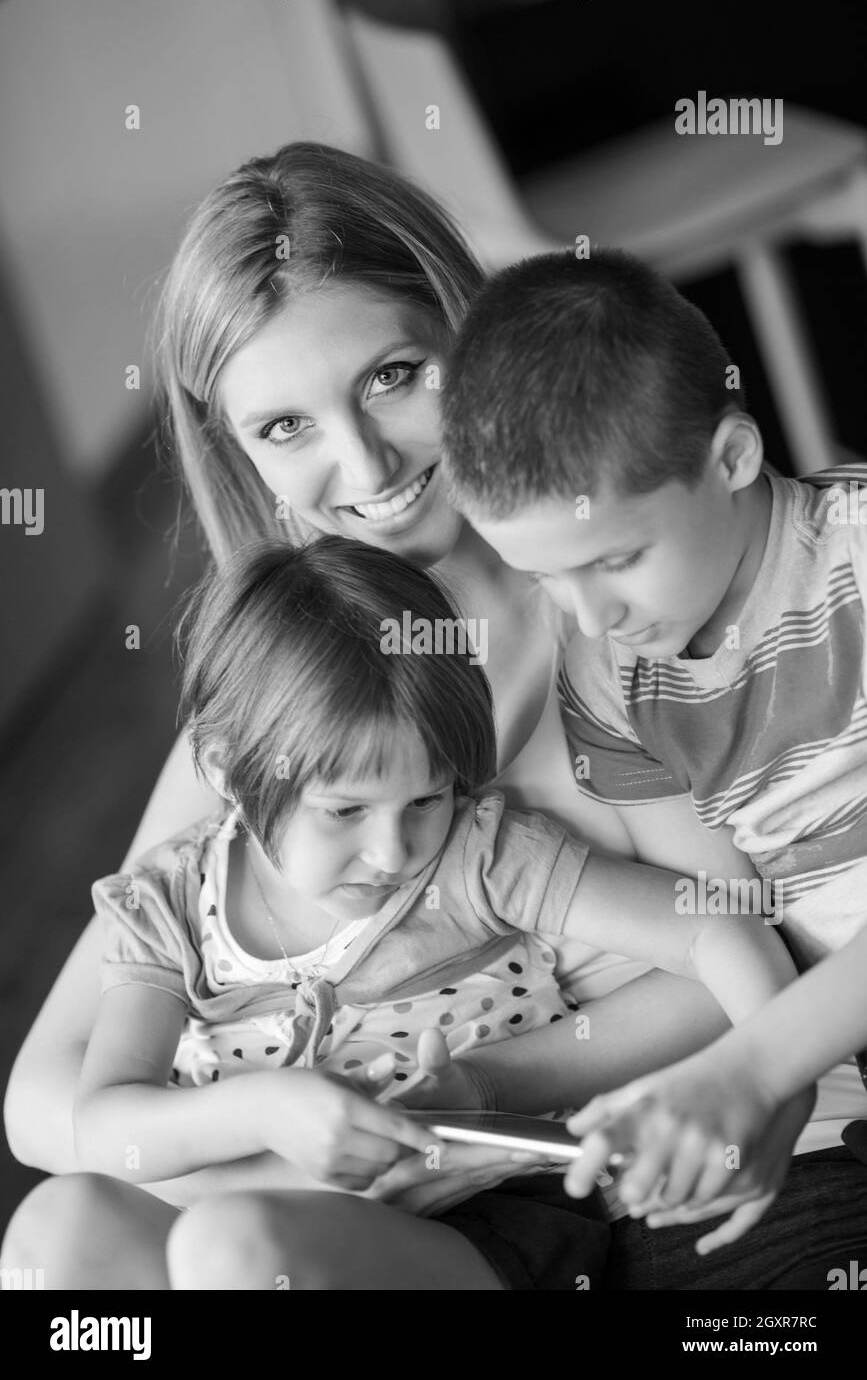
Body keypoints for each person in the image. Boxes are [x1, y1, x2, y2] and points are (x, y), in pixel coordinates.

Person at [4, 143, 747, 1239]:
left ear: (468, 324)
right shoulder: (286, 688)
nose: (366, 467)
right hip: (285, 1192)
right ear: (240, 450)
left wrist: (479, 1093)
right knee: (61, 1240)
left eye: (393, 377)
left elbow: (738, 946)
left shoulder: (619, 603)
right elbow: (39, 1100)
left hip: (525, 1196)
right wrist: (272, 1155)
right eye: (285, 426)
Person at [42, 535, 794, 1289]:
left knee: (232, 1245)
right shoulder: (167, 901)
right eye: (343, 812)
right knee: (60, 1227)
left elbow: (714, 931)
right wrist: (264, 1110)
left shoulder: (478, 856)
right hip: (246, 1231)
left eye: (426, 799)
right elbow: (105, 1127)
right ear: (224, 771)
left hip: (487, 1227)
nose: (393, 853)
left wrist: (773, 1089)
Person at [440, 245, 867, 1279]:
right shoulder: (610, 675)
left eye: (617, 558)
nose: (595, 617)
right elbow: (731, 915)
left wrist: (758, 1068)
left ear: (729, 457)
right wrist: (771, 1082)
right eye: (545, 575)